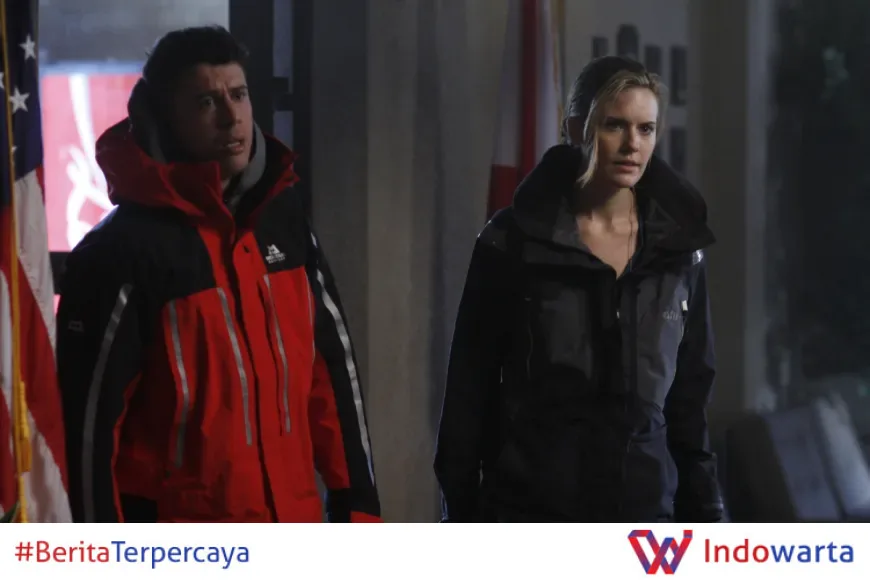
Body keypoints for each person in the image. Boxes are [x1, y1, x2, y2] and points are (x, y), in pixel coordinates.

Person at [56, 26, 380, 523]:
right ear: (165, 119)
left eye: (239, 94)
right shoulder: (119, 254)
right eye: (207, 102)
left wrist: (359, 505)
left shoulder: (283, 220)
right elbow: (88, 435)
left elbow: (332, 374)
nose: (232, 117)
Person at [434, 56, 723, 522]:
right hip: (532, 514)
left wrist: (708, 518)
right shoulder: (512, 242)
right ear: (575, 128)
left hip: (645, 517)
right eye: (615, 125)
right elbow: (470, 390)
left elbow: (689, 408)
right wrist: (463, 517)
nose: (632, 144)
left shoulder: (679, 253)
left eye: (646, 129)